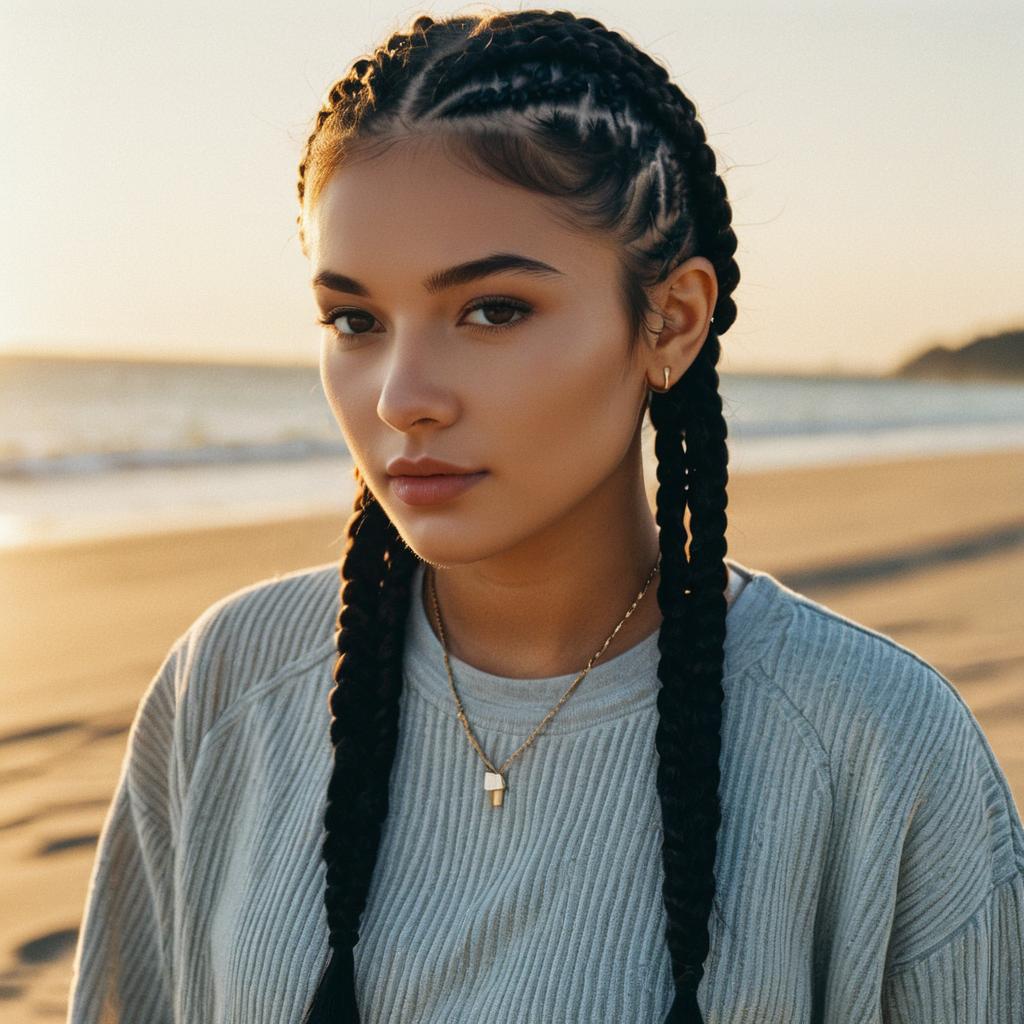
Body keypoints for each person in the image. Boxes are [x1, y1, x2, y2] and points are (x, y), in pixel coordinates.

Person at [66, 9, 1024, 1024]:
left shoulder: (872, 743)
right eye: (355, 320)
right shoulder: (229, 690)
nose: (401, 395)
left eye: (492, 310)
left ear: (672, 320)